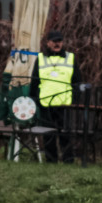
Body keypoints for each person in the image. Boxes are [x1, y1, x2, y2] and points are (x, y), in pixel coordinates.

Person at [31, 30, 80, 163]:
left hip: (65, 103)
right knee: (48, 134)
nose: (57, 44)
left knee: (65, 134)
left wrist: (75, 99)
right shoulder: (40, 58)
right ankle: (51, 160)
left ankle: (68, 160)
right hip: (45, 103)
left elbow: (77, 81)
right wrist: (34, 99)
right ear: (48, 43)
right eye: (54, 41)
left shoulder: (70, 58)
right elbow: (34, 81)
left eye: (59, 41)